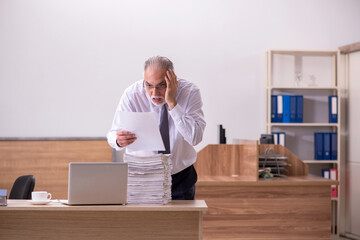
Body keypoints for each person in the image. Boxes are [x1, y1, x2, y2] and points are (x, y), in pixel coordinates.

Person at [107, 56, 206, 200]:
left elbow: (195, 137)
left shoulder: (190, 93)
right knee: (145, 223)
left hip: (180, 177)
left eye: (161, 85)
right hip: (142, 176)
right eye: (149, 85)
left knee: (181, 222)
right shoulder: (132, 95)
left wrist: (172, 103)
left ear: (172, 79)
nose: (154, 93)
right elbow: (112, 135)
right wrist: (118, 140)